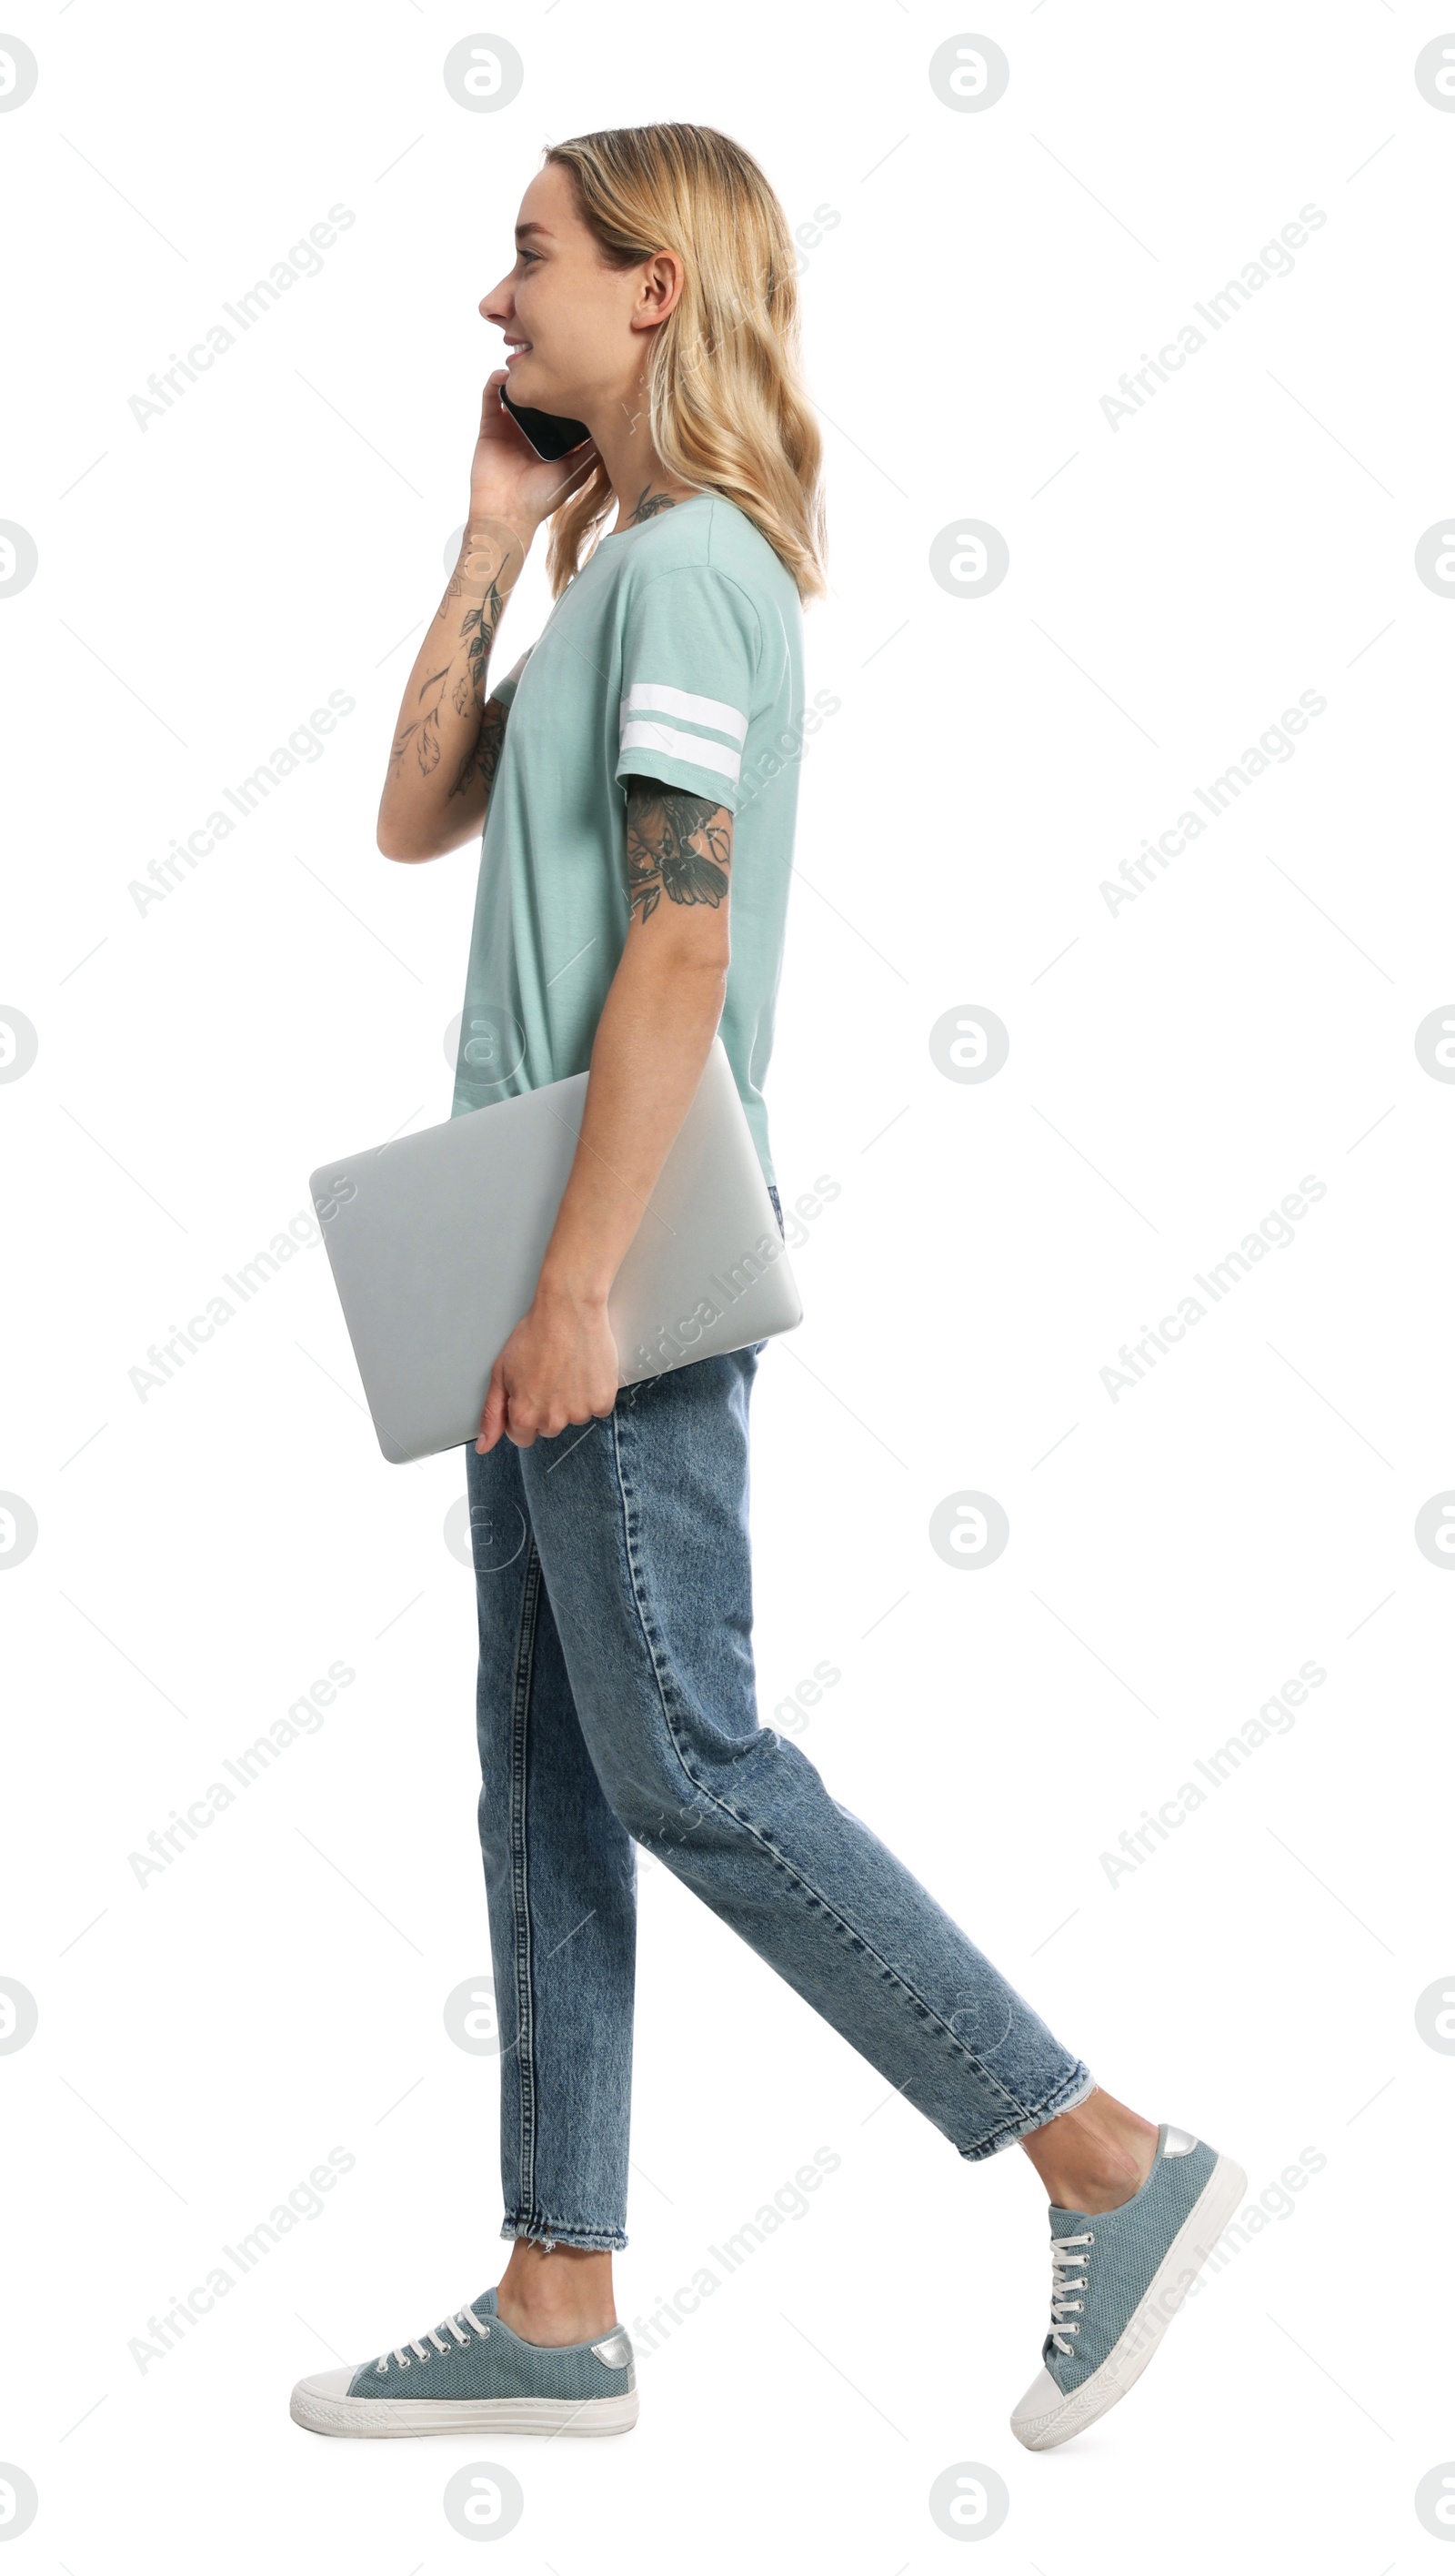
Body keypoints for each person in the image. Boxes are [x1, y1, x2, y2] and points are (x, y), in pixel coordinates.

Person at [289, 122, 1242, 2453]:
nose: (490, 301)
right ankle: (555, 2291)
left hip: (598, 1277)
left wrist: (582, 1289)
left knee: (686, 1763)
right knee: (546, 1778)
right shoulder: (612, 572)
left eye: (527, 258)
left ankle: (1100, 2155)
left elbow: (683, 944)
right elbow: (414, 814)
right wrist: (498, 536)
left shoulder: (699, 575)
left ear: (652, 292)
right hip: (537, 1262)